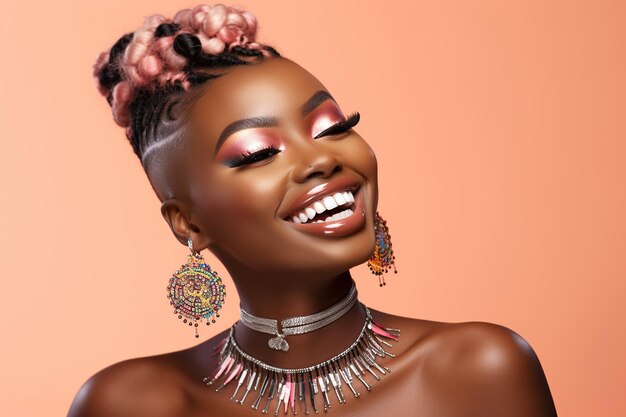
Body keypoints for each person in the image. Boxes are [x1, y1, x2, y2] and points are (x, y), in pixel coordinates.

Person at [68, 4, 557, 416]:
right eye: (259, 153)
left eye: (333, 127)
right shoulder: (130, 403)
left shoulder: (478, 371)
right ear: (187, 222)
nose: (323, 158)